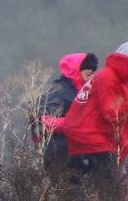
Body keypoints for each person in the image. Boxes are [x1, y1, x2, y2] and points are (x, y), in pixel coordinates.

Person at [53, 40, 128, 201]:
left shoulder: (116, 80)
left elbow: (119, 116)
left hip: (86, 139)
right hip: (91, 140)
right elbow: (111, 114)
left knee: (101, 188)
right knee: (109, 190)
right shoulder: (108, 78)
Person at [34, 52, 97, 181]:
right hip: (58, 153)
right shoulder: (60, 91)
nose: (90, 76)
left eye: (92, 73)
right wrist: (72, 124)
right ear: (76, 70)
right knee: (65, 193)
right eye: (87, 72)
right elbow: (44, 119)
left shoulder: (82, 93)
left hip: (75, 155)